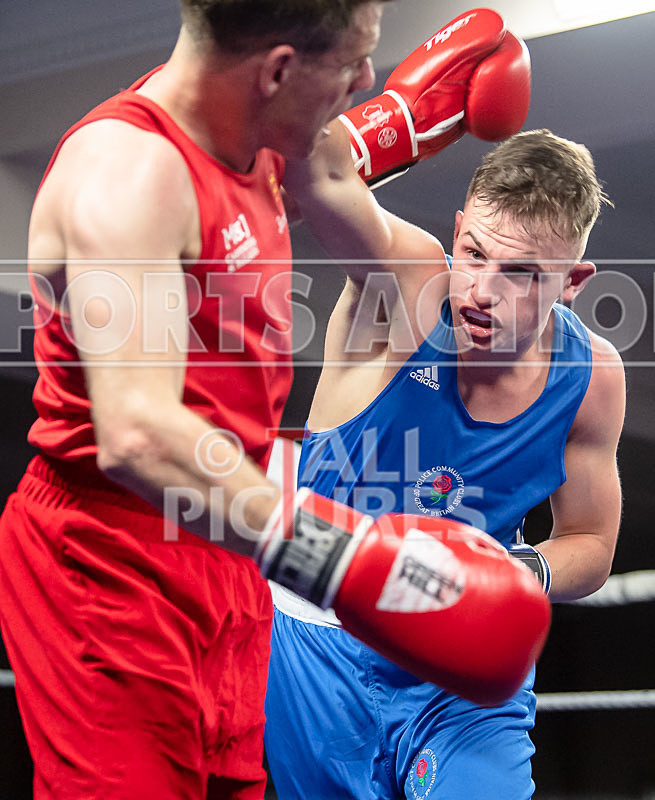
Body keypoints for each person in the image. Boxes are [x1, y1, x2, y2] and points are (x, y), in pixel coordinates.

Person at [0, 2, 552, 798]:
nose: (365, 78)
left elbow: (333, 162)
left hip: (229, 544)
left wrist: (413, 116)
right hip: (111, 562)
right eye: (352, 63)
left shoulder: (256, 137)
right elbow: (138, 435)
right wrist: (347, 559)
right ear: (278, 71)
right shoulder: (128, 178)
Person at [265, 117, 625, 798]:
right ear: (457, 230)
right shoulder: (409, 287)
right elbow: (317, 171)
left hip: (461, 659)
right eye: (474, 253)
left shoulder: (591, 377)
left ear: (572, 281)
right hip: (317, 644)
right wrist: (403, 118)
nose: (482, 291)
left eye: (520, 274)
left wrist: (517, 571)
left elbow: (590, 541)